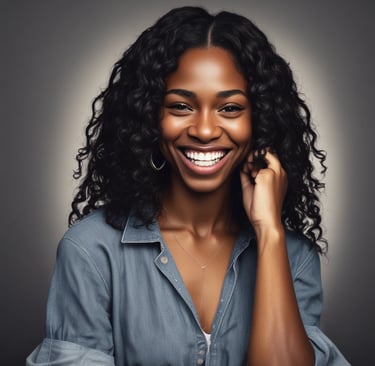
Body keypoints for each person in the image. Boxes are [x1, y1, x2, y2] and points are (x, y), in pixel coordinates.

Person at [27, 6, 351, 366]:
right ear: (150, 116)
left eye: (229, 108)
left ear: (260, 121)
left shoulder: (293, 258)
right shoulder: (91, 251)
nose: (205, 130)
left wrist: (270, 233)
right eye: (181, 106)